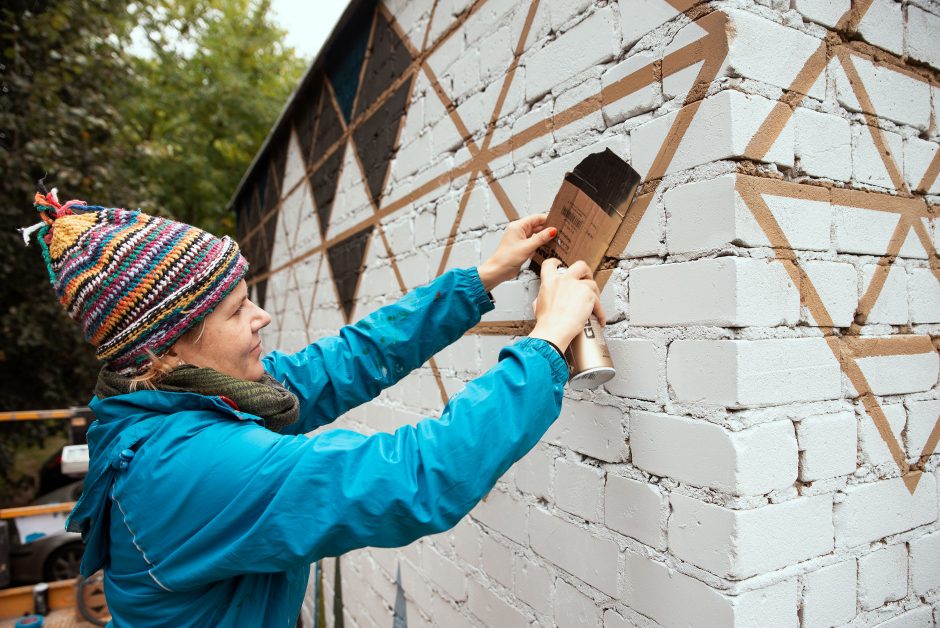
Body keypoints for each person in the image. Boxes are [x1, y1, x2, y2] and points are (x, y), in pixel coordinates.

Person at [23, 187, 604, 627]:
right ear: (170, 345)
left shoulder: (175, 400)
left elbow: (343, 363)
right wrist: (547, 342)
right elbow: (420, 477)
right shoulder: (190, 466)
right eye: (236, 310)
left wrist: (482, 279)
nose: (262, 318)